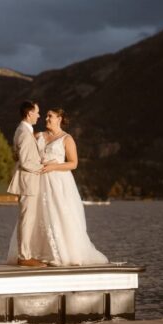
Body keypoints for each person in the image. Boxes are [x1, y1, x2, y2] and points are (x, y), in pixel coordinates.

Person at [34, 108, 109, 265]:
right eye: (46, 116)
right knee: (39, 215)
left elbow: (73, 163)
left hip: (59, 182)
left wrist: (54, 166)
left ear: (59, 118)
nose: (46, 118)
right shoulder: (38, 136)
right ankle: (38, 253)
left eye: (50, 116)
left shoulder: (66, 139)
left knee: (59, 213)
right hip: (39, 181)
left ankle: (61, 254)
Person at [5, 100, 50, 267]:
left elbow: (17, 156)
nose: (39, 115)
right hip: (28, 181)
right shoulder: (24, 132)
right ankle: (24, 256)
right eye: (37, 112)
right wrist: (44, 166)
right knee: (27, 219)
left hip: (28, 180)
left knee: (27, 218)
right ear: (29, 113)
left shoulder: (23, 130)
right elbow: (24, 161)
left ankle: (26, 254)